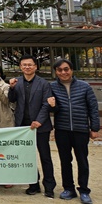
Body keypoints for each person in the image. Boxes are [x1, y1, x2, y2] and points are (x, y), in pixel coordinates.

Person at [50, 59, 99, 204]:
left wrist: (94, 128)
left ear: (71, 70)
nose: (63, 72)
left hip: (81, 130)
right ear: (56, 72)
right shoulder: (52, 87)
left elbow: (93, 108)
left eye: (66, 69)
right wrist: (52, 106)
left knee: (82, 161)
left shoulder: (84, 86)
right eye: (59, 70)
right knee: (65, 161)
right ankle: (69, 188)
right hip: (62, 129)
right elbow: (52, 109)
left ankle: (84, 190)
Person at [8, 54, 56, 198]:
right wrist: (11, 88)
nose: (27, 67)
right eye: (24, 65)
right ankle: (33, 184)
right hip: (23, 127)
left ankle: (49, 187)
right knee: (27, 158)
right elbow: (12, 100)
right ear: (20, 67)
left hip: (41, 126)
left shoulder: (44, 83)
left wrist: (39, 121)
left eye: (30, 64)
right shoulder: (17, 82)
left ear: (35, 66)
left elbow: (47, 104)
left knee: (45, 156)